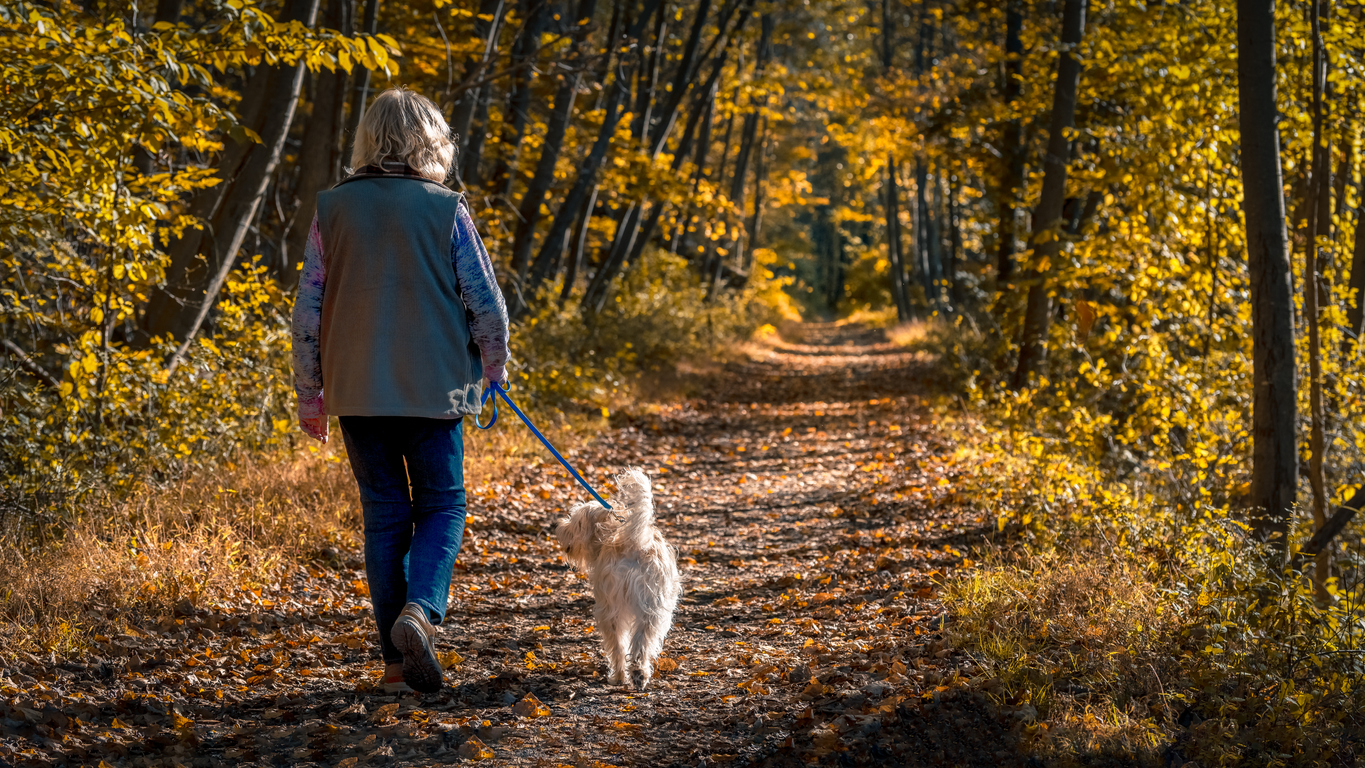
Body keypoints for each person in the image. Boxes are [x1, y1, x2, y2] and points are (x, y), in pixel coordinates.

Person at [291, 87, 509, 694]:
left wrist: (311, 395)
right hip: (435, 390)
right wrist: (494, 367)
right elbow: (484, 302)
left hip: (357, 393)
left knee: (385, 516)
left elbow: (308, 313)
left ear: (367, 140)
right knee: (443, 504)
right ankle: (421, 613)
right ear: (430, 142)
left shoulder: (331, 210)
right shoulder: (445, 209)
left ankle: (393, 668)